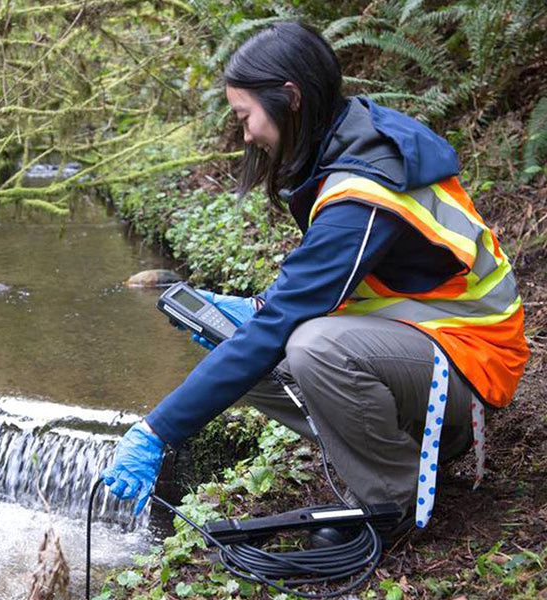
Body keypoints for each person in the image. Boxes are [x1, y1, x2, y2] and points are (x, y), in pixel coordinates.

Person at [101, 22, 529, 535]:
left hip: (471, 357)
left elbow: (293, 318)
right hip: (422, 339)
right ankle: (395, 450)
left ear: (290, 98)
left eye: (246, 116)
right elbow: (315, 291)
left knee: (312, 346)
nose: (246, 135)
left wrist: (156, 430)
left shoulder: (365, 186)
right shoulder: (344, 141)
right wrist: (253, 313)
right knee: (248, 339)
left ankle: (394, 500)